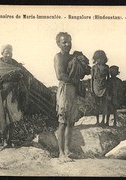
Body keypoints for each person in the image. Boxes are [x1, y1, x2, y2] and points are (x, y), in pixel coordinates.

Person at [0, 44, 28, 149]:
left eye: (10, 52)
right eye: (6, 52)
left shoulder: (15, 64)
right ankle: (3, 140)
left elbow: (23, 75)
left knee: (13, 117)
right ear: (2, 53)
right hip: (0, 95)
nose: (8, 54)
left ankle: (11, 139)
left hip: (13, 95)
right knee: (2, 116)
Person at [54, 32, 80, 162]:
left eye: (69, 41)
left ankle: (68, 151)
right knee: (63, 122)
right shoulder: (58, 57)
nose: (67, 44)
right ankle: (61, 153)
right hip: (64, 89)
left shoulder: (73, 57)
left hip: (73, 89)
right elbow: (60, 75)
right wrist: (75, 81)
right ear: (58, 44)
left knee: (71, 122)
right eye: (64, 42)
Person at [91, 50, 110, 125]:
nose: (99, 60)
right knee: (96, 105)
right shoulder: (93, 68)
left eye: (101, 58)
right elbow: (92, 79)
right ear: (95, 59)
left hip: (104, 87)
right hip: (96, 88)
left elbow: (108, 78)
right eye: (97, 58)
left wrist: (108, 88)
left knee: (104, 105)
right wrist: (92, 89)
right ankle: (97, 121)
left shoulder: (106, 67)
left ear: (104, 58)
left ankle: (103, 120)